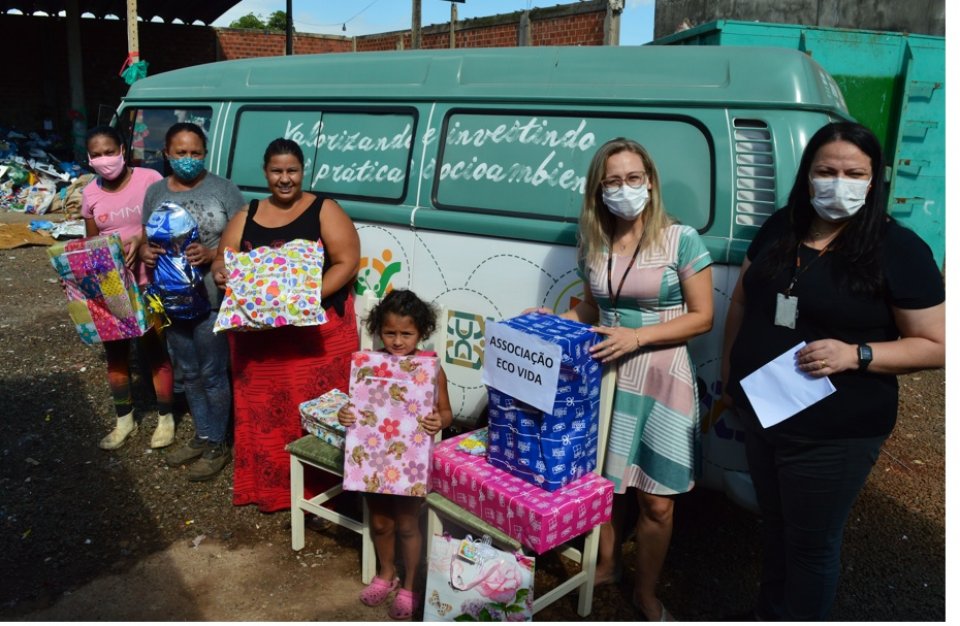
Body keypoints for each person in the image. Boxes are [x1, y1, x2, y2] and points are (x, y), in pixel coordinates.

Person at [721, 121, 945, 620]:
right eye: (826, 170)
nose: (837, 182)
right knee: (775, 529)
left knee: (811, 547)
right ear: (807, 175)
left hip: (834, 433)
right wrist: (732, 375)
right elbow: (741, 302)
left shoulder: (898, 248)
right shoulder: (782, 225)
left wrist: (857, 354)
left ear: (873, 180)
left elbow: (938, 345)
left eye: (853, 172)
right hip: (764, 412)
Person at [536, 137, 713, 620]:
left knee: (657, 502)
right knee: (606, 487)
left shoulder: (681, 239)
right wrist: (550, 321)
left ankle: (647, 591)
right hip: (607, 376)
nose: (624, 188)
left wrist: (638, 338)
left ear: (650, 183)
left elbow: (702, 318)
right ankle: (609, 564)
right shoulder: (593, 241)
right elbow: (594, 308)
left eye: (633, 178)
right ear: (598, 190)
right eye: (612, 181)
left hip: (661, 379)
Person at [212, 137, 361, 512]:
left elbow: (347, 262)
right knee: (263, 416)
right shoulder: (248, 213)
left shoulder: (324, 209)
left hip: (315, 337)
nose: (284, 179)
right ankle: (272, 491)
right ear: (265, 172)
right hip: (260, 346)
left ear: (302, 171)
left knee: (317, 413)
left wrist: (301, 302)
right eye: (277, 171)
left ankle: (323, 493)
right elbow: (223, 260)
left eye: (291, 170)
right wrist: (220, 274)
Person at [337, 289, 453, 620]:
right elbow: (355, 408)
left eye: (407, 333)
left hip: (409, 463)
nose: (398, 341)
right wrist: (347, 415)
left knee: (406, 524)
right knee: (381, 521)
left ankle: (412, 585)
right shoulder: (368, 366)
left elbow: (446, 412)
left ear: (422, 333)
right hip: (374, 461)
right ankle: (386, 574)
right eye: (390, 333)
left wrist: (438, 420)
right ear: (379, 330)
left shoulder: (431, 368)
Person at [140, 122, 245, 481]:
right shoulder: (154, 192)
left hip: (212, 298)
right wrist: (145, 252)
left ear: (205, 153)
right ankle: (202, 435)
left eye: (195, 153)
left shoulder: (224, 190)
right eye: (180, 153)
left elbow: (244, 240)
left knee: (214, 372)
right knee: (188, 372)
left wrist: (214, 252)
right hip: (170, 299)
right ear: (167, 154)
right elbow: (146, 237)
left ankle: (218, 442)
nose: (188, 159)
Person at [81, 125, 175, 450]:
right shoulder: (90, 193)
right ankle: (125, 421)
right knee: (116, 356)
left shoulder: (149, 179)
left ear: (122, 150)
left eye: (109, 151)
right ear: (89, 158)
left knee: (154, 349)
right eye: (96, 154)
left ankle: (166, 418)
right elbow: (91, 243)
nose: (104, 159)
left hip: (149, 280)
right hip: (111, 286)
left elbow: (169, 221)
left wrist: (141, 238)